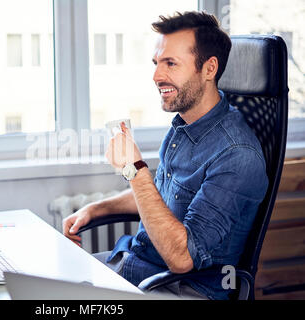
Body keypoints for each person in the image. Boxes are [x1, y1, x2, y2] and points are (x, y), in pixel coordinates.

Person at [62, 11, 269, 300]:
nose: (157, 76)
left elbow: (182, 258)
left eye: (171, 63)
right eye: (157, 63)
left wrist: (134, 169)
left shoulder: (237, 156)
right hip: (141, 268)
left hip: (183, 288)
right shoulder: (184, 125)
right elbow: (162, 196)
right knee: (53, 277)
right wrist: (94, 210)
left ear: (209, 69)